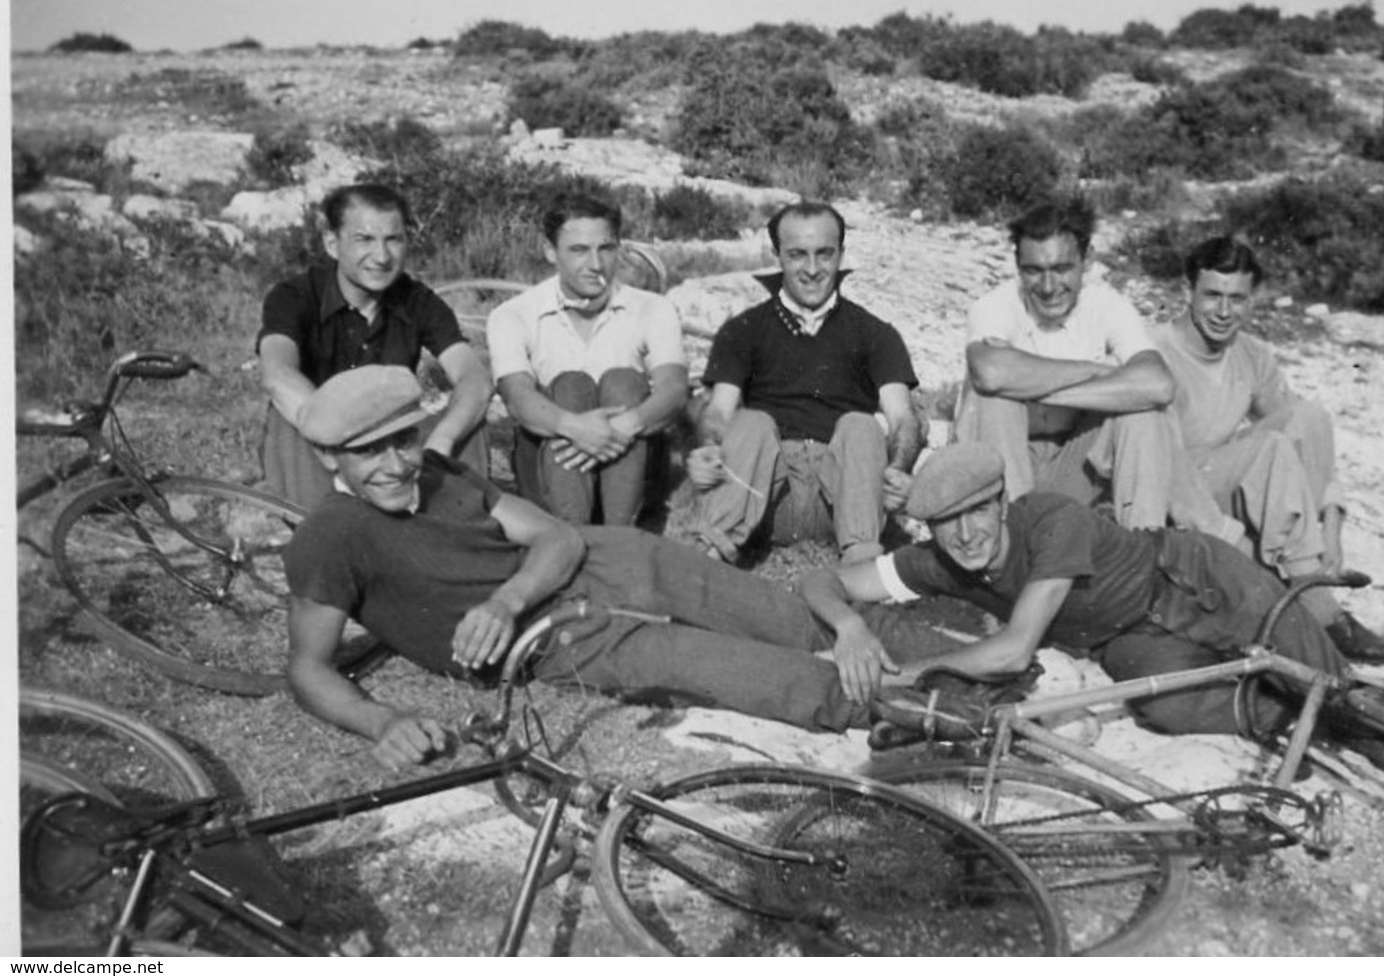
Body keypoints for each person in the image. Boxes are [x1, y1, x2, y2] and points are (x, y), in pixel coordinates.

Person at [284, 365, 930, 768]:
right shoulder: (332, 535)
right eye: (366, 452)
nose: (395, 465)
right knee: (725, 668)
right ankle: (933, 715)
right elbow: (308, 667)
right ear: (326, 458)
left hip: (602, 557)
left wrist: (503, 599)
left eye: (401, 439)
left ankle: (973, 656)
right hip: (556, 639)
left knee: (777, 611)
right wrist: (384, 720)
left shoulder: (440, 470)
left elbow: (558, 537)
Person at [798, 441, 1384, 781]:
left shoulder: (1048, 518)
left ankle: (1377, 721)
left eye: (976, 512)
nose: (965, 536)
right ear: (930, 529)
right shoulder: (937, 561)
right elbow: (820, 579)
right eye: (946, 523)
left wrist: (910, 675)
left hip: (1190, 577)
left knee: (1321, 676)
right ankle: (1290, 721)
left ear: (999, 503)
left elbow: (1015, 649)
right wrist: (849, 625)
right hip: (1124, 635)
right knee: (1167, 708)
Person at [1152, 236, 1384, 664]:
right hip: (1178, 501)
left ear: (1252, 301)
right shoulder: (1156, 352)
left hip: (1226, 482)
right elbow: (1165, 470)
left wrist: (1331, 522)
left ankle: (1309, 566)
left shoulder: (1249, 352)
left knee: (1309, 415)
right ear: (1187, 291)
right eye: (1212, 295)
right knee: (1266, 449)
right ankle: (1323, 616)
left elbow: (1301, 426)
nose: (1224, 311)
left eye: (1238, 299)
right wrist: (1236, 548)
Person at [953, 198, 1228, 538]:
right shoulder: (996, 305)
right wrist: (1097, 370)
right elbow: (991, 373)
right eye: (1034, 271)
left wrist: (1035, 387)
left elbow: (1158, 384)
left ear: (1087, 261)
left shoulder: (1106, 306)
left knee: (1145, 411)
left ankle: (1143, 550)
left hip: (1070, 465)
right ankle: (1014, 546)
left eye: (1063, 269)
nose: (1049, 287)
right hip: (1000, 471)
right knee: (995, 398)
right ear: (1017, 265)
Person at [685, 201, 921, 565]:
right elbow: (718, 410)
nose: (812, 270)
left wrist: (899, 469)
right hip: (766, 496)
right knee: (751, 421)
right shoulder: (744, 329)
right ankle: (709, 553)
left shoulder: (876, 333)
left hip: (843, 495)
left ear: (841, 254)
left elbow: (903, 417)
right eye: (797, 255)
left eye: (824, 254)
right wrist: (708, 446)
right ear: (777, 254)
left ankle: (861, 563)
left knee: (861, 424)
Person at [256, 183, 492, 512]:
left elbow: (474, 379)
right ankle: (319, 525)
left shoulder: (418, 300)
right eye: (364, 240)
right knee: (285, 419)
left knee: (470, 422)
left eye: (393, 240)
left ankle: (457, 526)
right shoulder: (294, 296)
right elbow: (277, 374)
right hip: (325, 448)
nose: (381, 257)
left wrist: (442, 441)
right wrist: (338, 440)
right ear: (332, 243)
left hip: (393, 443)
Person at [486, 194, 688, 526]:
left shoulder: (652, 307)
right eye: (579, 250)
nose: (595, 264)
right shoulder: (513, 314)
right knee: (569, 385)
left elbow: (674, 390)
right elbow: (518, 399)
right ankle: (573, 530)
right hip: (552, 470)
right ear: (550, 251)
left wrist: (622, 426)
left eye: (606, 249)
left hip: (631, 467)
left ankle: (618, 533)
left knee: (623, 381)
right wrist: (577, 429)